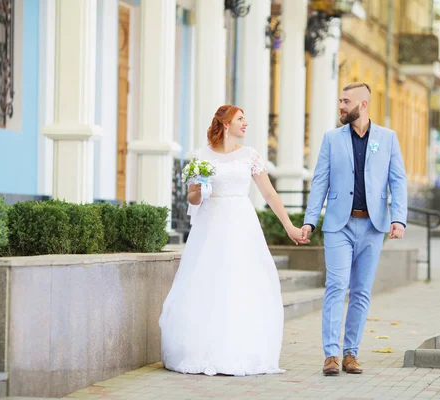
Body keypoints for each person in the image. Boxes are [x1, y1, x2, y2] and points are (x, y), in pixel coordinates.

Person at [159, 104, 306, 376]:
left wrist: (290, 226)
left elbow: (270, 195)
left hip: (241, 224)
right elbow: (192, 197)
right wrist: (200, 191)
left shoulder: (250, 156)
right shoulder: (200, 156)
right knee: (208, 283)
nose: (245, 123)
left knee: (241, 284)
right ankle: (202, 350)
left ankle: (240, 350)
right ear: (225, 124)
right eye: (240, 119)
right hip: (210, 227)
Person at [301, 82, 408, 376]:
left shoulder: (387, 138)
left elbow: (398, 180)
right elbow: (320, 181)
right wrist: (310, 221)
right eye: (339, 101)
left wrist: (398, 218)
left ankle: (351, 353)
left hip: (373, 227)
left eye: (345, 101)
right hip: (339, 225)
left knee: (361, 292)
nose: (340, 106)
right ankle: (331, 355)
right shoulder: (331, 139)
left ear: (362, 104)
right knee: (336, 287)